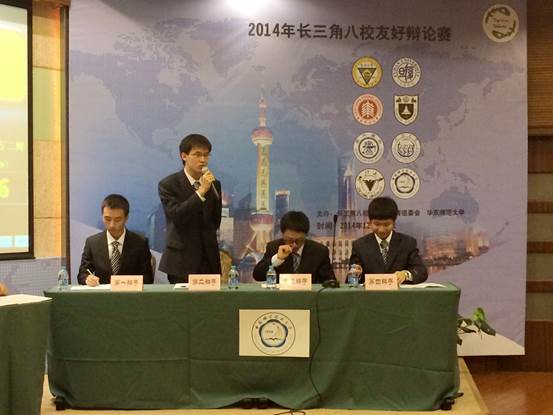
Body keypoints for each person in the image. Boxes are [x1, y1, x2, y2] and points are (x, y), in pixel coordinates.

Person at [158, 134, 222, 283]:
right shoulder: (169, 184)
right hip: (181, 259)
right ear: (184, 156)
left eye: (206, 155)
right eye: (197, 154)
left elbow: (215, 221)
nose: (203, 160)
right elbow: (177, 216)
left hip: (208, 259)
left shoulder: (214, 184)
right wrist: (200, 192)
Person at [77, 194, 153, 285]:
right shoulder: (92, 243)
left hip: (130, 292)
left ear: (126, 218)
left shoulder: (140, 243)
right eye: (107, 219)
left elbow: (148, 278)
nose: (112, 225)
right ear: (102, 216)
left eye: (117, 220)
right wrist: (87, 279)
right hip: (102, 293)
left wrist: (124, 283)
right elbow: (82, 274)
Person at [349, 196, 427, 284]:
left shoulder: (408, 243)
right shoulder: (359, 246)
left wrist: (405, 275)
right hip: (371, 292)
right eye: (377, 224)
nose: (381, 230)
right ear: (369, 223)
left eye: (386, 225)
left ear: (394, 223)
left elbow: (421, 271)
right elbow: (351, 281)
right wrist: (355, 275)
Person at [253, 211, 335, 283]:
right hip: (281, 295)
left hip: (309, 295)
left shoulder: (319, 251)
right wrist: (277, 259)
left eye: (299, 241)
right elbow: (258, 276)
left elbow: (330, 281)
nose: (294, 245)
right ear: (282, 234)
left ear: (306, 235)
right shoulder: (273, 247)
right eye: (290, 240)